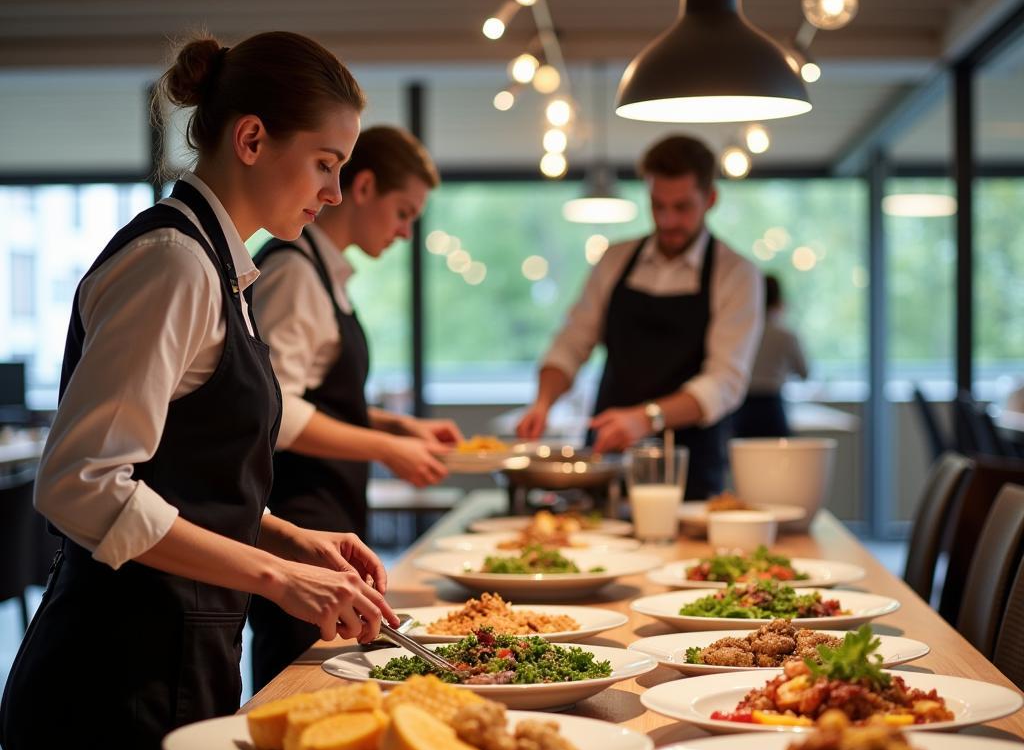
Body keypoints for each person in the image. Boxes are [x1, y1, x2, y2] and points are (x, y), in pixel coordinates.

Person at [0, 32, 398, 750]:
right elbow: (81, 484)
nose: (333, 192)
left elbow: (182, 475)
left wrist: (289, 537)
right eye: (325, 163)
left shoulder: (223, 267)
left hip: (174, 655)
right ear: (251, 140)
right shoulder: (174, 263)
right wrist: (277, 577)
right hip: (113, 677)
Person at [247, 125, 459, 691]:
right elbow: (278, 412)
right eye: (403, 213)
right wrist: (387, 446)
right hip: (298, 519)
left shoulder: (325, 271)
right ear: (363, 188)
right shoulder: (293, 272)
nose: (406, 232)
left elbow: (320, 396)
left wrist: (397, 425)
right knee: (295, 688)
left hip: (329, 517)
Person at [516, 135, 763, 499]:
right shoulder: (616, 260)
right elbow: (572, 341)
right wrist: (543, 402)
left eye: (682, 207)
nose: (668, 220)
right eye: (658, 205)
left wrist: (645, 419)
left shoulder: (736, 274)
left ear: (710, 200)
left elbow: (724, 382)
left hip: (689, 468)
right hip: (606, 455)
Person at [733, 274, 809, 437]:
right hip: (771, 406)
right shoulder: (785, 335)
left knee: (742, 458)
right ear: (779, 301)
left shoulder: (739, 332)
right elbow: (804, 373)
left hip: (740, 407)